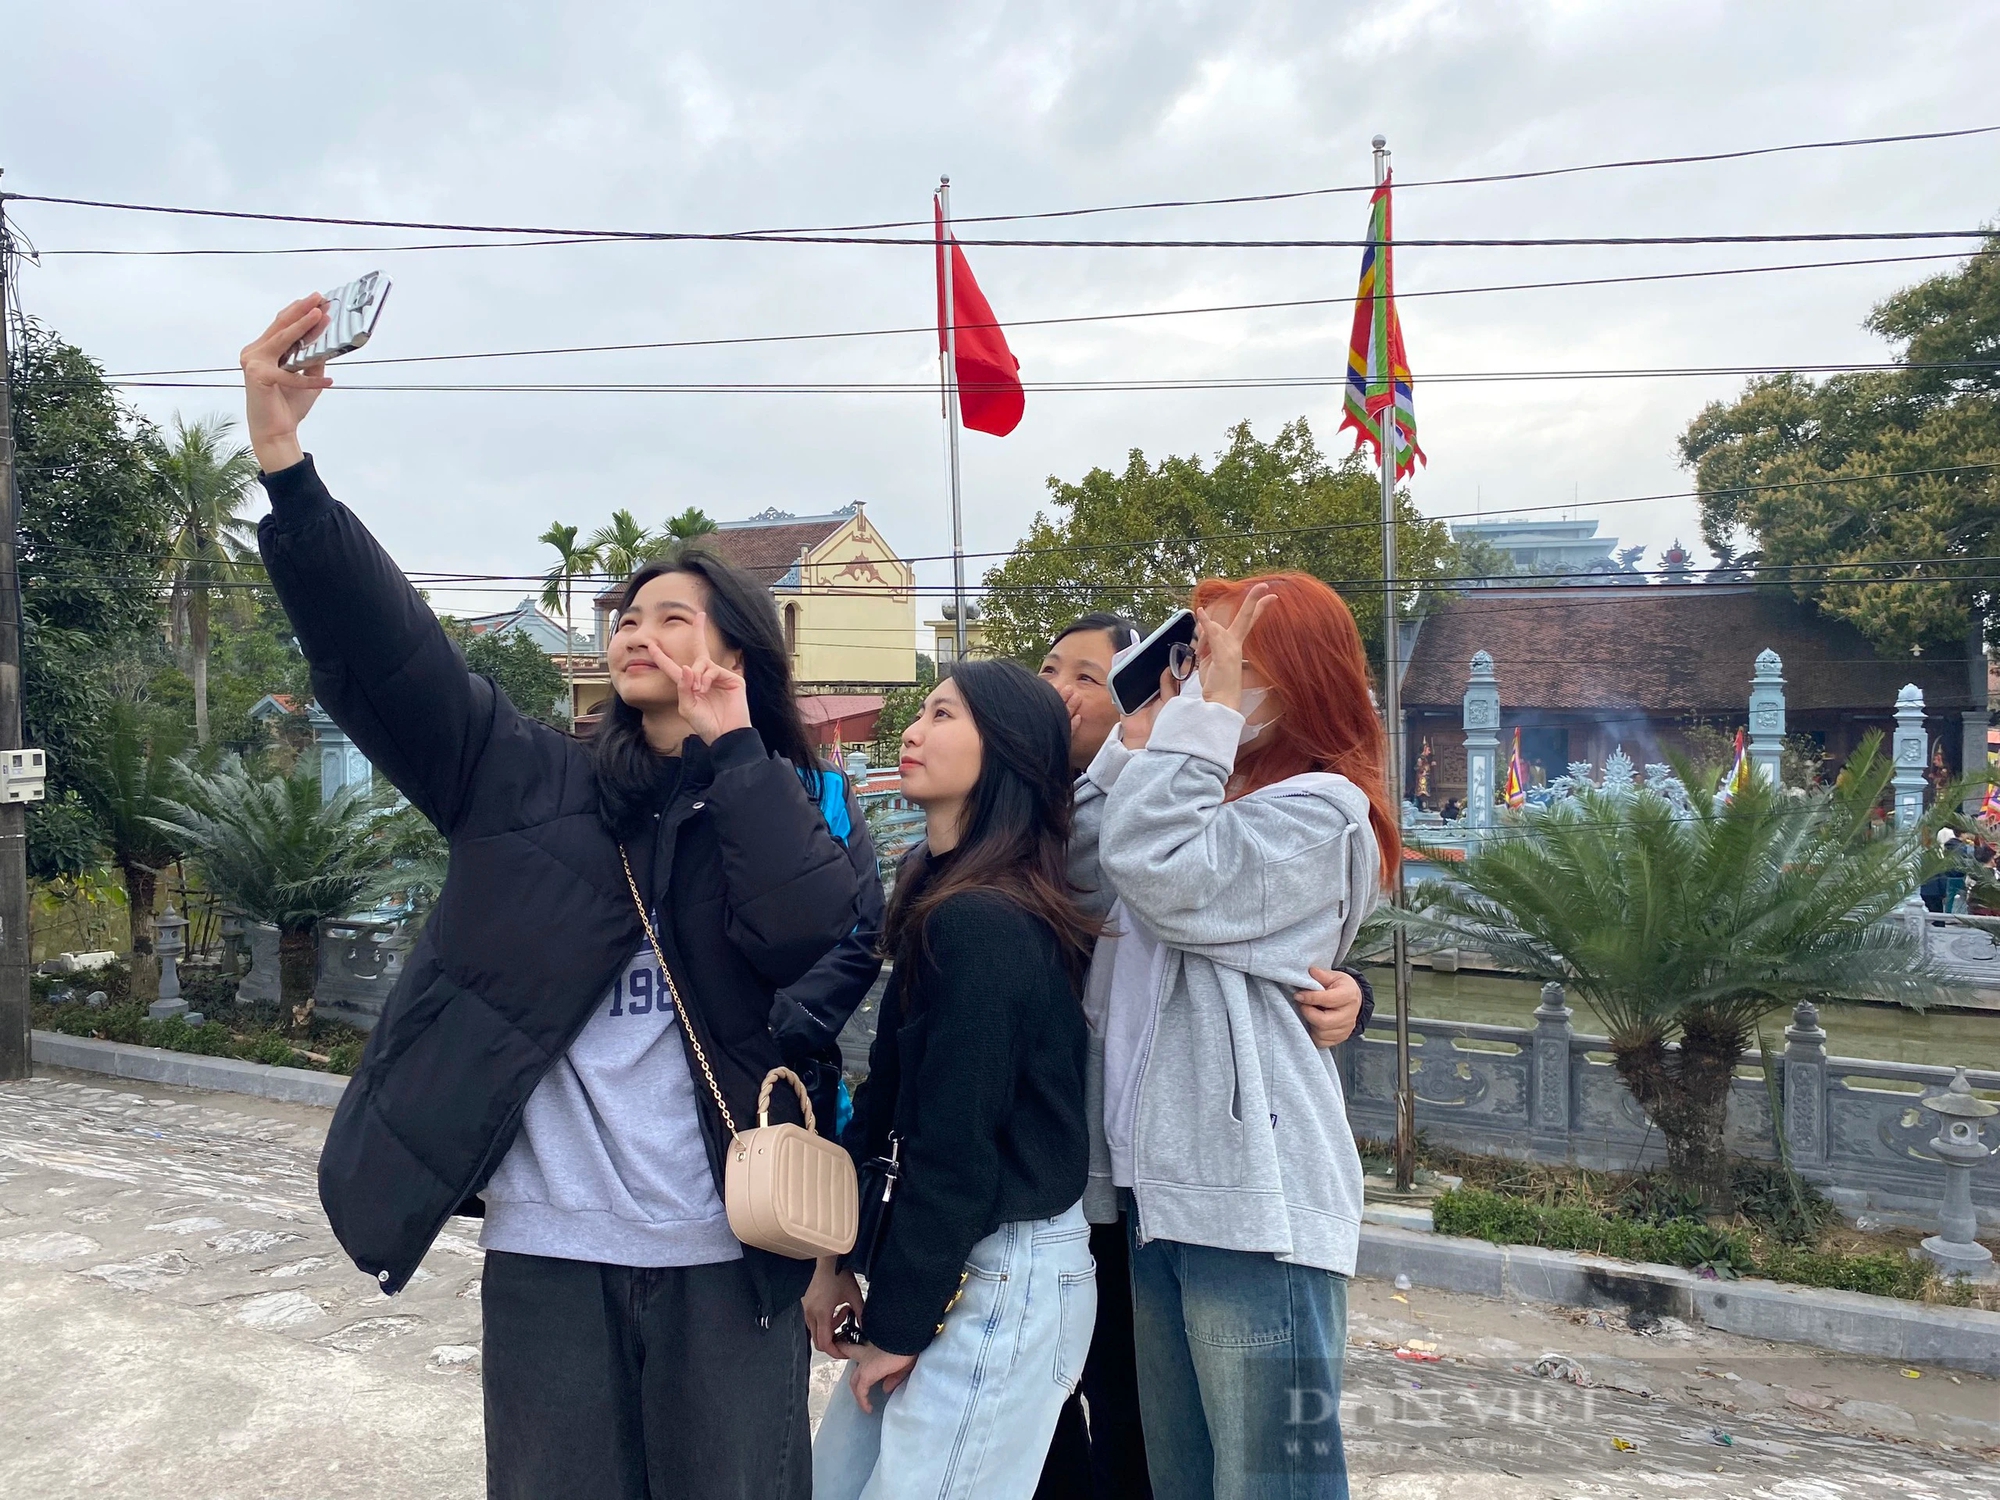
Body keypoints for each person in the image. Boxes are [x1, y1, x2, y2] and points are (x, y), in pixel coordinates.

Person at [241, 295, 860, 1500]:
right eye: (628, 616)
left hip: (722, 1255)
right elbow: (395, 658)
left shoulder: (779, 797)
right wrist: (289, 474)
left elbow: (806, 938)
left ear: (737, 652)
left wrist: (734, 757)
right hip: (548, 1253)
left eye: (673, 616)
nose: (639, 630)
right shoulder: (523, 779)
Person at [1033, 613, 1373, 1500]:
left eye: (1226, 663)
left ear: (1297, 680)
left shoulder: (1322, 809)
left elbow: (1167, 877)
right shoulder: (1191, 798)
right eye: (1192, 659)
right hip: (1161, 1191)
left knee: (1269, 1482)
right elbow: (1078, 873)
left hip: (1254, 1195)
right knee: (1175, 1474)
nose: (1195, 679)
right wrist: (1141, 748)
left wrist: (1187, 731)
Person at [809, 661, 1098, 1499]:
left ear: (1004, 751)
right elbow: (888, 1102)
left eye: (943, 715)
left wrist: (899, 1319)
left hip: (1002, 1268)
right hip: (943, 1258)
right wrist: (836, 1258)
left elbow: (955, 1146)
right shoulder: (943, 892)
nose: (911, 730)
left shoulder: (985, 922)